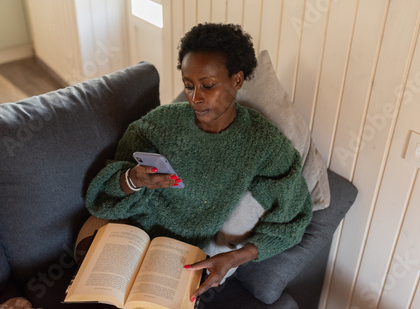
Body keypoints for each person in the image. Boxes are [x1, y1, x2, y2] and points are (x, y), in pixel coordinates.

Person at [84, 23, 312, 302]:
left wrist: (236, 257)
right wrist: (132, 178)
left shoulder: (261, 142)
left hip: (179, 259)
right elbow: (104, 192)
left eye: (208, 86)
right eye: (188, 86)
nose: (195, 98)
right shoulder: (159, 123)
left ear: (237, 81)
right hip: (126, 238)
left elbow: (294, 215)